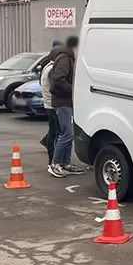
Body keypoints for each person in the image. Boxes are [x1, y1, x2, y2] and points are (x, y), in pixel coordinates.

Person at [48, 36, 85, 178]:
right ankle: (56, 163)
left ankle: (65, 163)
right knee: (66, 133)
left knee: (68, 134)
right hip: (62, 101)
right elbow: (58, 80)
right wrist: (73, 90)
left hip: (66, 101)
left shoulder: (67, 58)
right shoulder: (64, 59)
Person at [40, 43, 64, 167]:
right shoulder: (51, 69)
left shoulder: (47, 66)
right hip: (52, 104)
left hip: (48, 103)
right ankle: (53, 159)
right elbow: (56, 85)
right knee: (57, 132)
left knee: (53, 131)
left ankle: (51, 153)